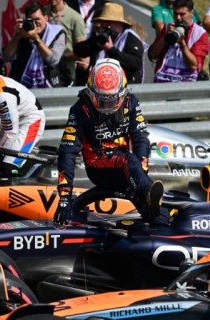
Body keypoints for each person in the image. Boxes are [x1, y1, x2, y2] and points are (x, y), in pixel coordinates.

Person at [53, 58, 164, 226]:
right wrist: (64, 198)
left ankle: (159, 221)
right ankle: (147, 191)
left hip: (126, 168)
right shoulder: (80, 110)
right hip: (97, 165)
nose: (106, 107)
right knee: (128, 160)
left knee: (153, 213)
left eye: (111, 101)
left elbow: (141, 138)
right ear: (90, 92)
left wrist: (140, 173)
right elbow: (67, 152)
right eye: (101, 101)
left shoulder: (131, 102)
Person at [73, 2, 148, 84]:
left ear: (120, 23)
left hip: (125, 87)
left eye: (109, 23)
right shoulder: (100, 38)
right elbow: (78, 50)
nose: (105, 26)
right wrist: (96, 45)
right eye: (103, 22)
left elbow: (135, 63)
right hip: (98, 87)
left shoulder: (130, 38)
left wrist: (111, 50)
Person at [2, 1, 66, 89]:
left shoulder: (57, 32)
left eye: (37, 19)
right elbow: (6, 57)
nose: (35, 23)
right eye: (31, 20)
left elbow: (53, 60)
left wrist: (36, 39)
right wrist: (16, 36)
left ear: (46, 18)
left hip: (50, 86)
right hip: (23, 88)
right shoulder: (24, 32)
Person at [148, 0, 209, 83]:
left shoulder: (199, 33)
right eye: (175, 13)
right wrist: (166, 36)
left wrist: (183, 44)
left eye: (182, 14)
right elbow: (153, 55)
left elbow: (194, 65)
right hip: (162, 81)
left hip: (187, 84)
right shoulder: (167, 27)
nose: (178, 18)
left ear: (192, 13)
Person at [48, 0, 87, 87]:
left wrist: (60, 57)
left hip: (66, 74)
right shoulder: (43, 14)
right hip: (44, 73)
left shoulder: (75, 17)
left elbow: (82, 50)